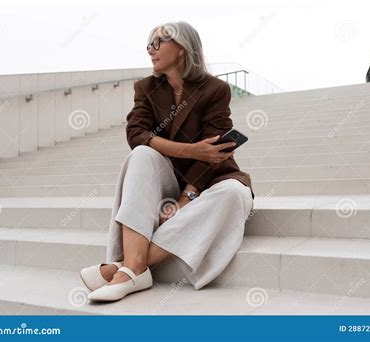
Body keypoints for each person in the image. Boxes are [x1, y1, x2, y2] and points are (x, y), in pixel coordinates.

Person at [80, 21, 254, 302]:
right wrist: (190, 150)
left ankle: (127, 266)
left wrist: (185, 199)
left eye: (159, 42)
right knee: (141, 154)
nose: (151, 49)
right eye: (149, 44)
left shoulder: (214, 89)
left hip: (210, 180)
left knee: (234, 193)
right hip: (166, 177)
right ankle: (135, 267)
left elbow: (214, 152)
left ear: (183, 48)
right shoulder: (146, 87)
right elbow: (136, 134)